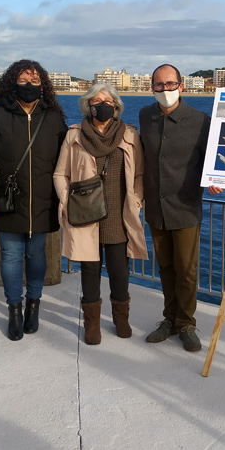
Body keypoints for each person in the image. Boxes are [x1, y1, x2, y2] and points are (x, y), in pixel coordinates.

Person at [0, 59, 68, 341]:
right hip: (7, 202)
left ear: (43, 86)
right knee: (11, 256)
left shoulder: (52, 118)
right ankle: (14, 309)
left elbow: (69, 154)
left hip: (43, 201)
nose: (29, 85)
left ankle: (33, 305)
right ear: (12, 82)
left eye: (35, 81)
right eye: (24, 80)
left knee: (36, 255)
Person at [53, 82, 147, 345]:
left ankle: (121, 318)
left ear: (115, 105)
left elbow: (140, 174)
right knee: (89, 271)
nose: (101, 105)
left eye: (106, 101)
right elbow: (60, 173)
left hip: (118, 216)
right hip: (85, 216)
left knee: (120, 271)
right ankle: (92, 323)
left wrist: (137, 201)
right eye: (95, 102)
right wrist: (66, 200)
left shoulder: (129, 135)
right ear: (88, 106)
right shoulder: (74, 135)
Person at [139, 64, 221, 352]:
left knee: (186, 270)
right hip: (155, 209)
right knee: (165, 268)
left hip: (186, 207)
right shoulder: (145, 116)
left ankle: (186, 323)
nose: (165, 90)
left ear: (181, 86)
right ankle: (169, 319)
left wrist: (216, 179)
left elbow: (216, 157)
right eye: (159, 85)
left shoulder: (201, 121)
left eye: (170, 84)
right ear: (152, 87)